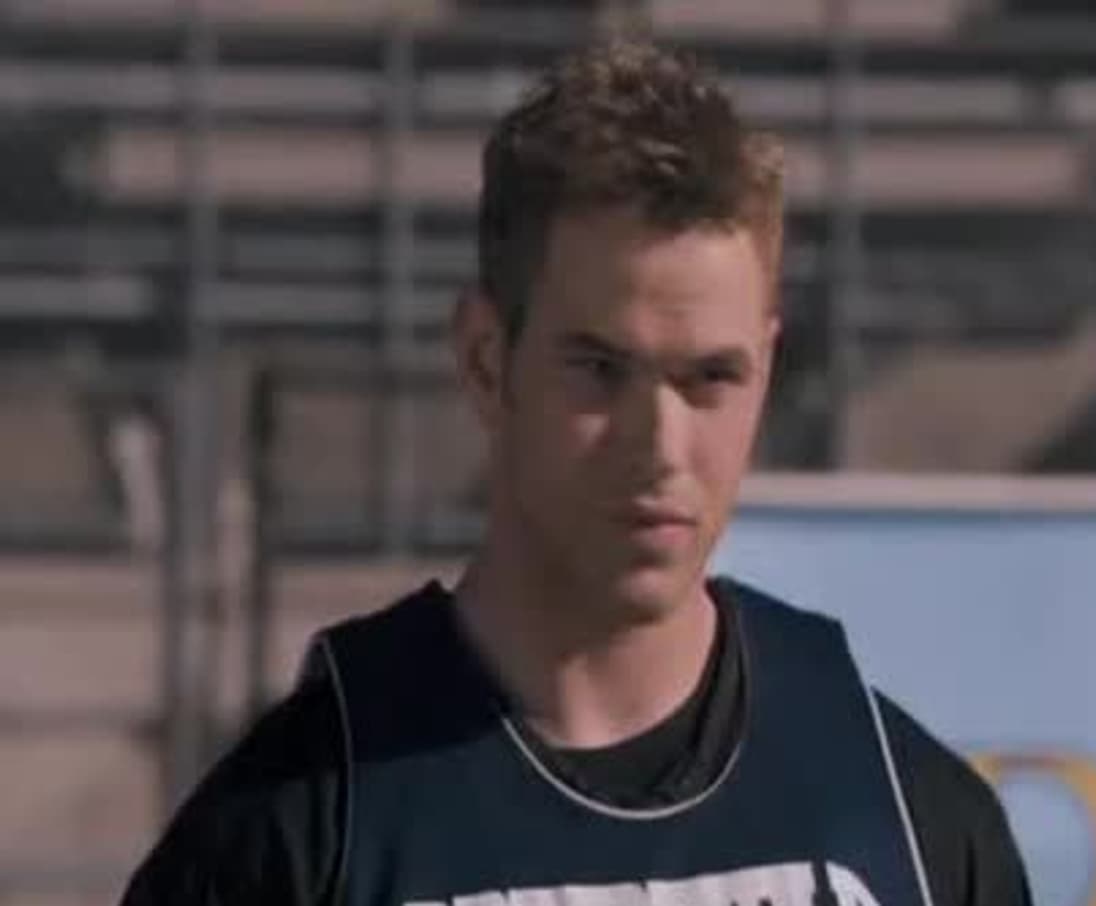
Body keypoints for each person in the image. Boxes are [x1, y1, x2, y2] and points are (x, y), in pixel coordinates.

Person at [120, 39, 1031, 906]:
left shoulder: (913, 823)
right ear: (486, 361)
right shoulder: (290, 834)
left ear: (766, 366)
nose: (661, 446)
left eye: (711, 377)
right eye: (599, 370)